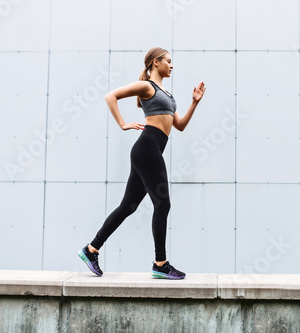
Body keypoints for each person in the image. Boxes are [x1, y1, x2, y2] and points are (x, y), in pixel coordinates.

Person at [78, 47, 206, 279]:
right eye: (169, 61)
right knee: (163, 204)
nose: (172, 65)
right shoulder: (148, 86)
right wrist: (123, 123)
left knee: (129, 206)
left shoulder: (167, 94)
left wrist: (194, 102)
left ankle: (91, 249)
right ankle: (160, 263)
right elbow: (111, 96)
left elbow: (180, 125)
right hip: (147, 147)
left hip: (150, 149)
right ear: (155, 62)